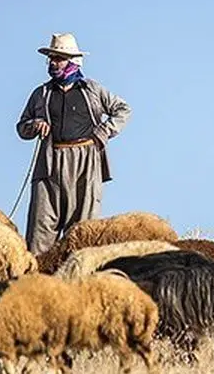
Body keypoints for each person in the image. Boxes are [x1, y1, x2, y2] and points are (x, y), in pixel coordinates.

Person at [15, 32, 132, 256]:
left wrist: (103, 132)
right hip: (50, 162)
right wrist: (35, 124)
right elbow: (21, 127)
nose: (53, 63)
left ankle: (79, 274)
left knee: (82, 228)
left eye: (58, 58)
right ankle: (37, 274)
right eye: (51, 58)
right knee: (41, 228)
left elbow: (123, 110)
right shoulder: (41, 93)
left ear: (72, 61)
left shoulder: (92, 90)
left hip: (86, 161)